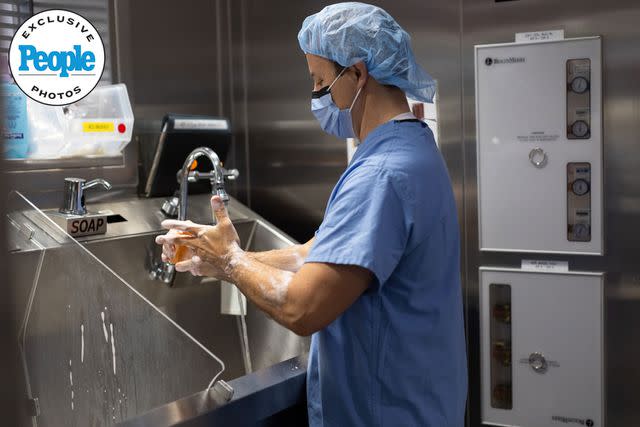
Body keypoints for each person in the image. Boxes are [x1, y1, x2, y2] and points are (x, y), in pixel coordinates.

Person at [156, 2, 467, 426]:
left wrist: (234, 261)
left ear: (358, 73)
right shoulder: (412, 149)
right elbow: (319, 254)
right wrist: (211, 255)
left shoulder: (380, 174)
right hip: (419, 401)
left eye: (321, 81)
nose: (319, 97)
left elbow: (303, 309)